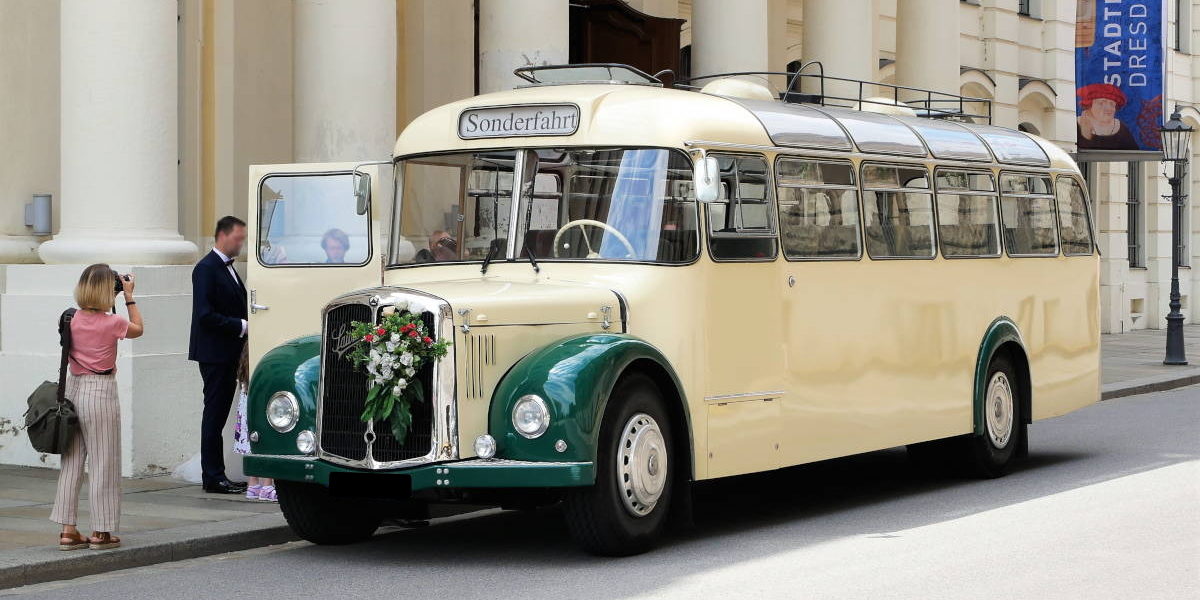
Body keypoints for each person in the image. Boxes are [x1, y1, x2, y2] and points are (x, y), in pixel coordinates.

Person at [50, 264, 144, 551]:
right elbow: (138, 329)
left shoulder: (70, 318)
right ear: (109, 290)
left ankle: (68, 530)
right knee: (104, 461)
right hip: (100, 391)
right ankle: (101, 532)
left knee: (73, 460)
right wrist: (128, 296)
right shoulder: (111, 323)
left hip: (73, 390)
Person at [189, 216, 249, 494]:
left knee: (219, 415)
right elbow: (204, 315)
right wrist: (240, 326)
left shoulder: (229, 270)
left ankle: (218, 473)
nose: (241, 244)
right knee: (213, 415)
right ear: (223, 236)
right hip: (214, 354)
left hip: (228, 353)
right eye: (238, 238)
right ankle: (212, 476)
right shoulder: (206, 268)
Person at [232, 345, 276, 501]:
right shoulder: (263, 357)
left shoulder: (245, 361)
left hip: (246, 410)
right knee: (267, 443)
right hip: (260, 406)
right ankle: (267, 485)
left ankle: (253, 485)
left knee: (251, 446)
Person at [1076, 83, 1138, 150]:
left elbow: (1135, 153)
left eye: (1112, 104)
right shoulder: (1077, 124)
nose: (1108, 108)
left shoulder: (1121, 128)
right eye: (1101, 103)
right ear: (1090, 104)